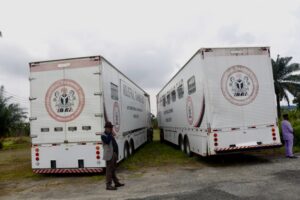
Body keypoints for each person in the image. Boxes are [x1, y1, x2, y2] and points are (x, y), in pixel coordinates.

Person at [101, 121, 125, 190]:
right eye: (110, 127)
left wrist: (116, 153)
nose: (111, 128)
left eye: (111, 127)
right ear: (106, 128)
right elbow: (107, 141)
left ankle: (116, 183)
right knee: (109, 170)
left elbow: (114, 144)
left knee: (113, 169)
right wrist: (110, 134)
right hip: (109, 155)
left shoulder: (110, 134)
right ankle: (108, 185)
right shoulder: (104, 135)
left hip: (113, 154)